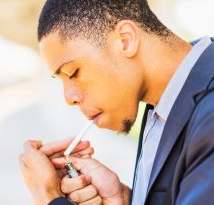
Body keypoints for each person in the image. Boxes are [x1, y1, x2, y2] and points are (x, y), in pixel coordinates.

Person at [19, 0, 214, 204]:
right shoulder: (163, 109)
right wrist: (124, 199)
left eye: (73, 72)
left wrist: (49, 197)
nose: (69, 98)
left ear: (125, 40)